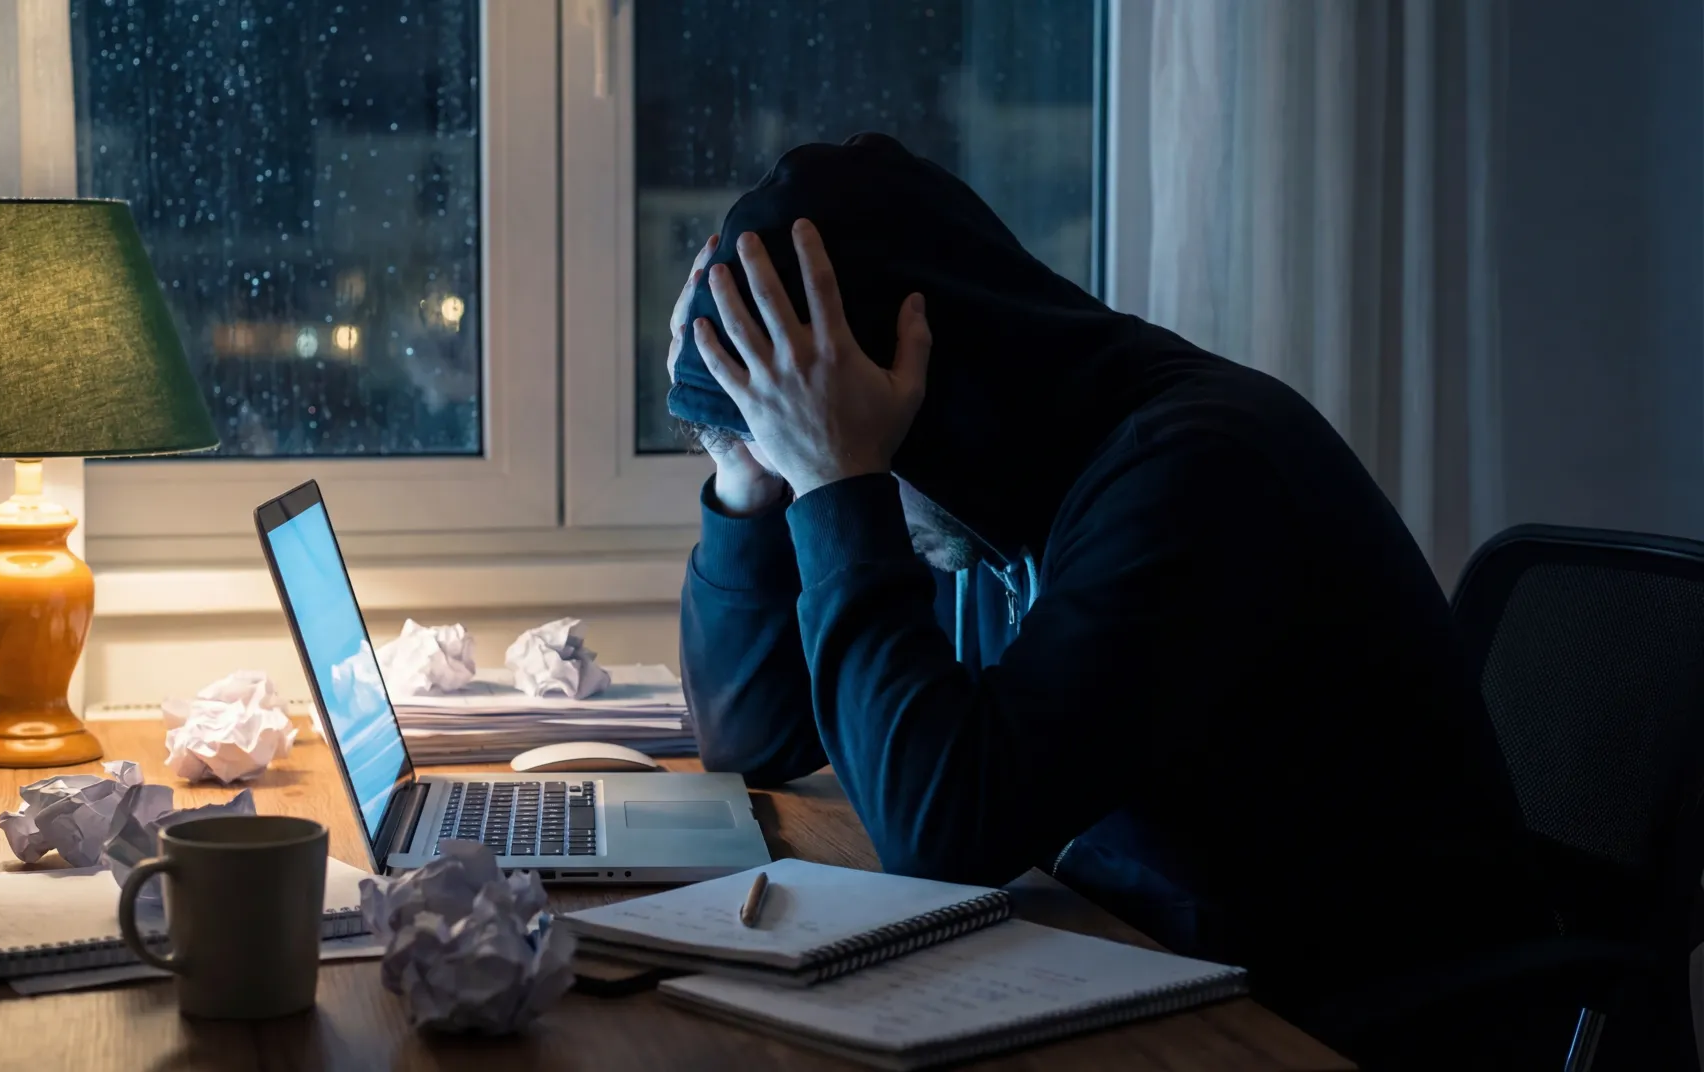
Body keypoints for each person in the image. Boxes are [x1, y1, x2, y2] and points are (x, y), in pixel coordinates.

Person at [667, 133, 1558, 1065]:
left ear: (933, 374)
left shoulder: (1198, 474)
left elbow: (942, 833)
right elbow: (753, 743)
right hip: (1145, 961)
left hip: (1334, 1026)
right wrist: (751, 469)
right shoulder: (1006, 469)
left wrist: (843, 483)